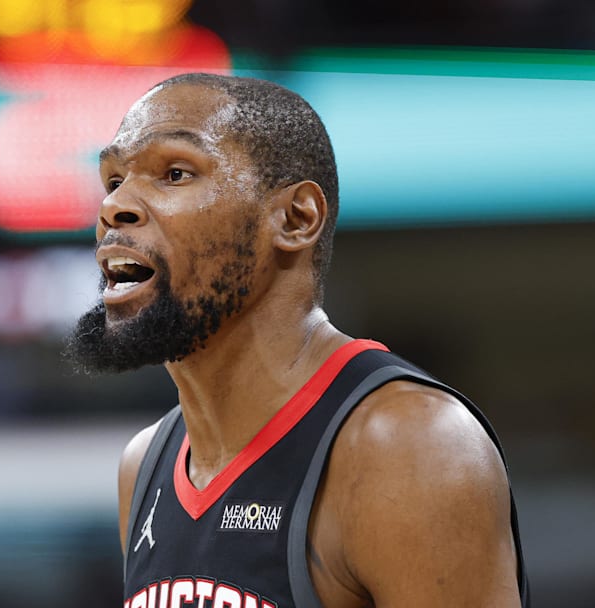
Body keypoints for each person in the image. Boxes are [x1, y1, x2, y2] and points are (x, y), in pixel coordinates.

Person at [65, 73, 529, 608]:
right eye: (114, 179)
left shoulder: (407, 446)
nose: (114, 207)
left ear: (295, 217)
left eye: (174, 173)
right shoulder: (144, 467)